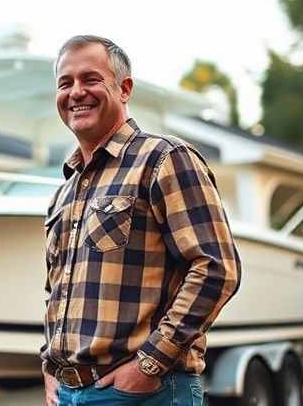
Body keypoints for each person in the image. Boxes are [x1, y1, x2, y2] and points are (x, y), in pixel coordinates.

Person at [42, 35, 241, 405]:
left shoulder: (164, 159)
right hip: (68, 394)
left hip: (144, 393)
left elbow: (216, 268)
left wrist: (149, 366)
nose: (76, 92)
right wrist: (50, 368)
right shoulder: (65, 192)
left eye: (91, 79)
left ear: (124, 89)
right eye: (65, 83)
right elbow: (58, 290)